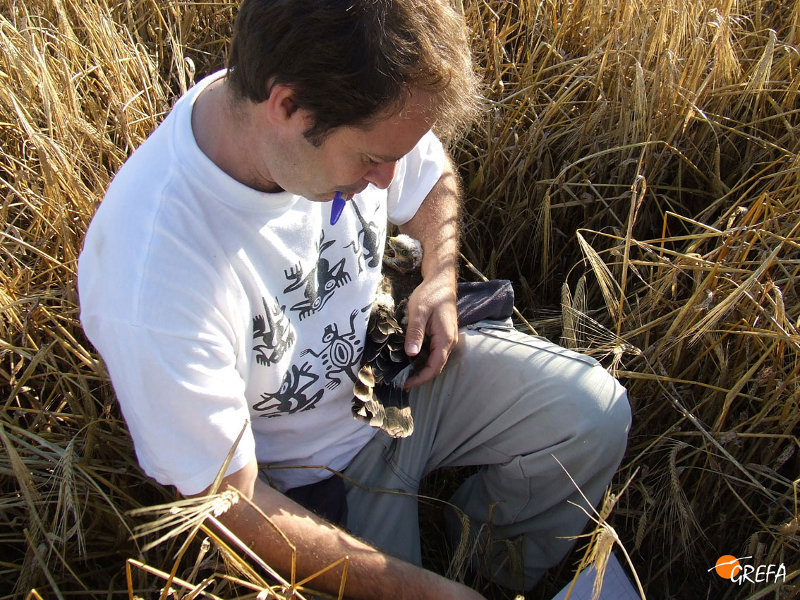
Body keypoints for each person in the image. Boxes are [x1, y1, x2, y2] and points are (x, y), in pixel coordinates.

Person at [77, 0, 631, 598]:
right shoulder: (154, 271)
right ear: (286, 107)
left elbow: (431, 176)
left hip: (399, 376)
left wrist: (439, 276)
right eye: (372, 160)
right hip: (311, 478)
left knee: (591, 415)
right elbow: (228, 503)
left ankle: (486, 564)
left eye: (393, 156)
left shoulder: (343, 109)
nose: (388, 179)